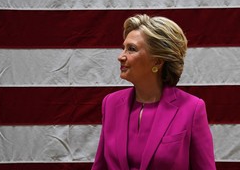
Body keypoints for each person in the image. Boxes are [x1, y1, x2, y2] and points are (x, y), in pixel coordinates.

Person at [92, 14, 216, 170]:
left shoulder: (192, 108)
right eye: (123, 48)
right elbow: (100, 166)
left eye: (131, 49)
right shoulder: (111, 103)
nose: (121, 56)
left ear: (157, 61)